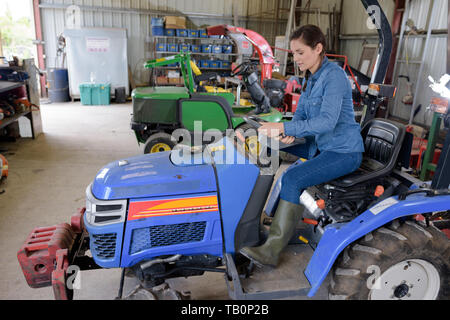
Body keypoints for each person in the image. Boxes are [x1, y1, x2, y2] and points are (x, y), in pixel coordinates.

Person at [239, 25, 365, 267]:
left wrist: (286, 129)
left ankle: (272, 251)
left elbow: (327, 121)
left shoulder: (334, 77)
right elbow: (302, 115)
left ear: (318, 48)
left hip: (342, 151)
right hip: (317, 145)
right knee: (265, 144)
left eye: (300, 52)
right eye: (293, 53)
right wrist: (289, 134)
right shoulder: (311, 79)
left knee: (293, 178)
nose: (295, 59)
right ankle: (258, 218)